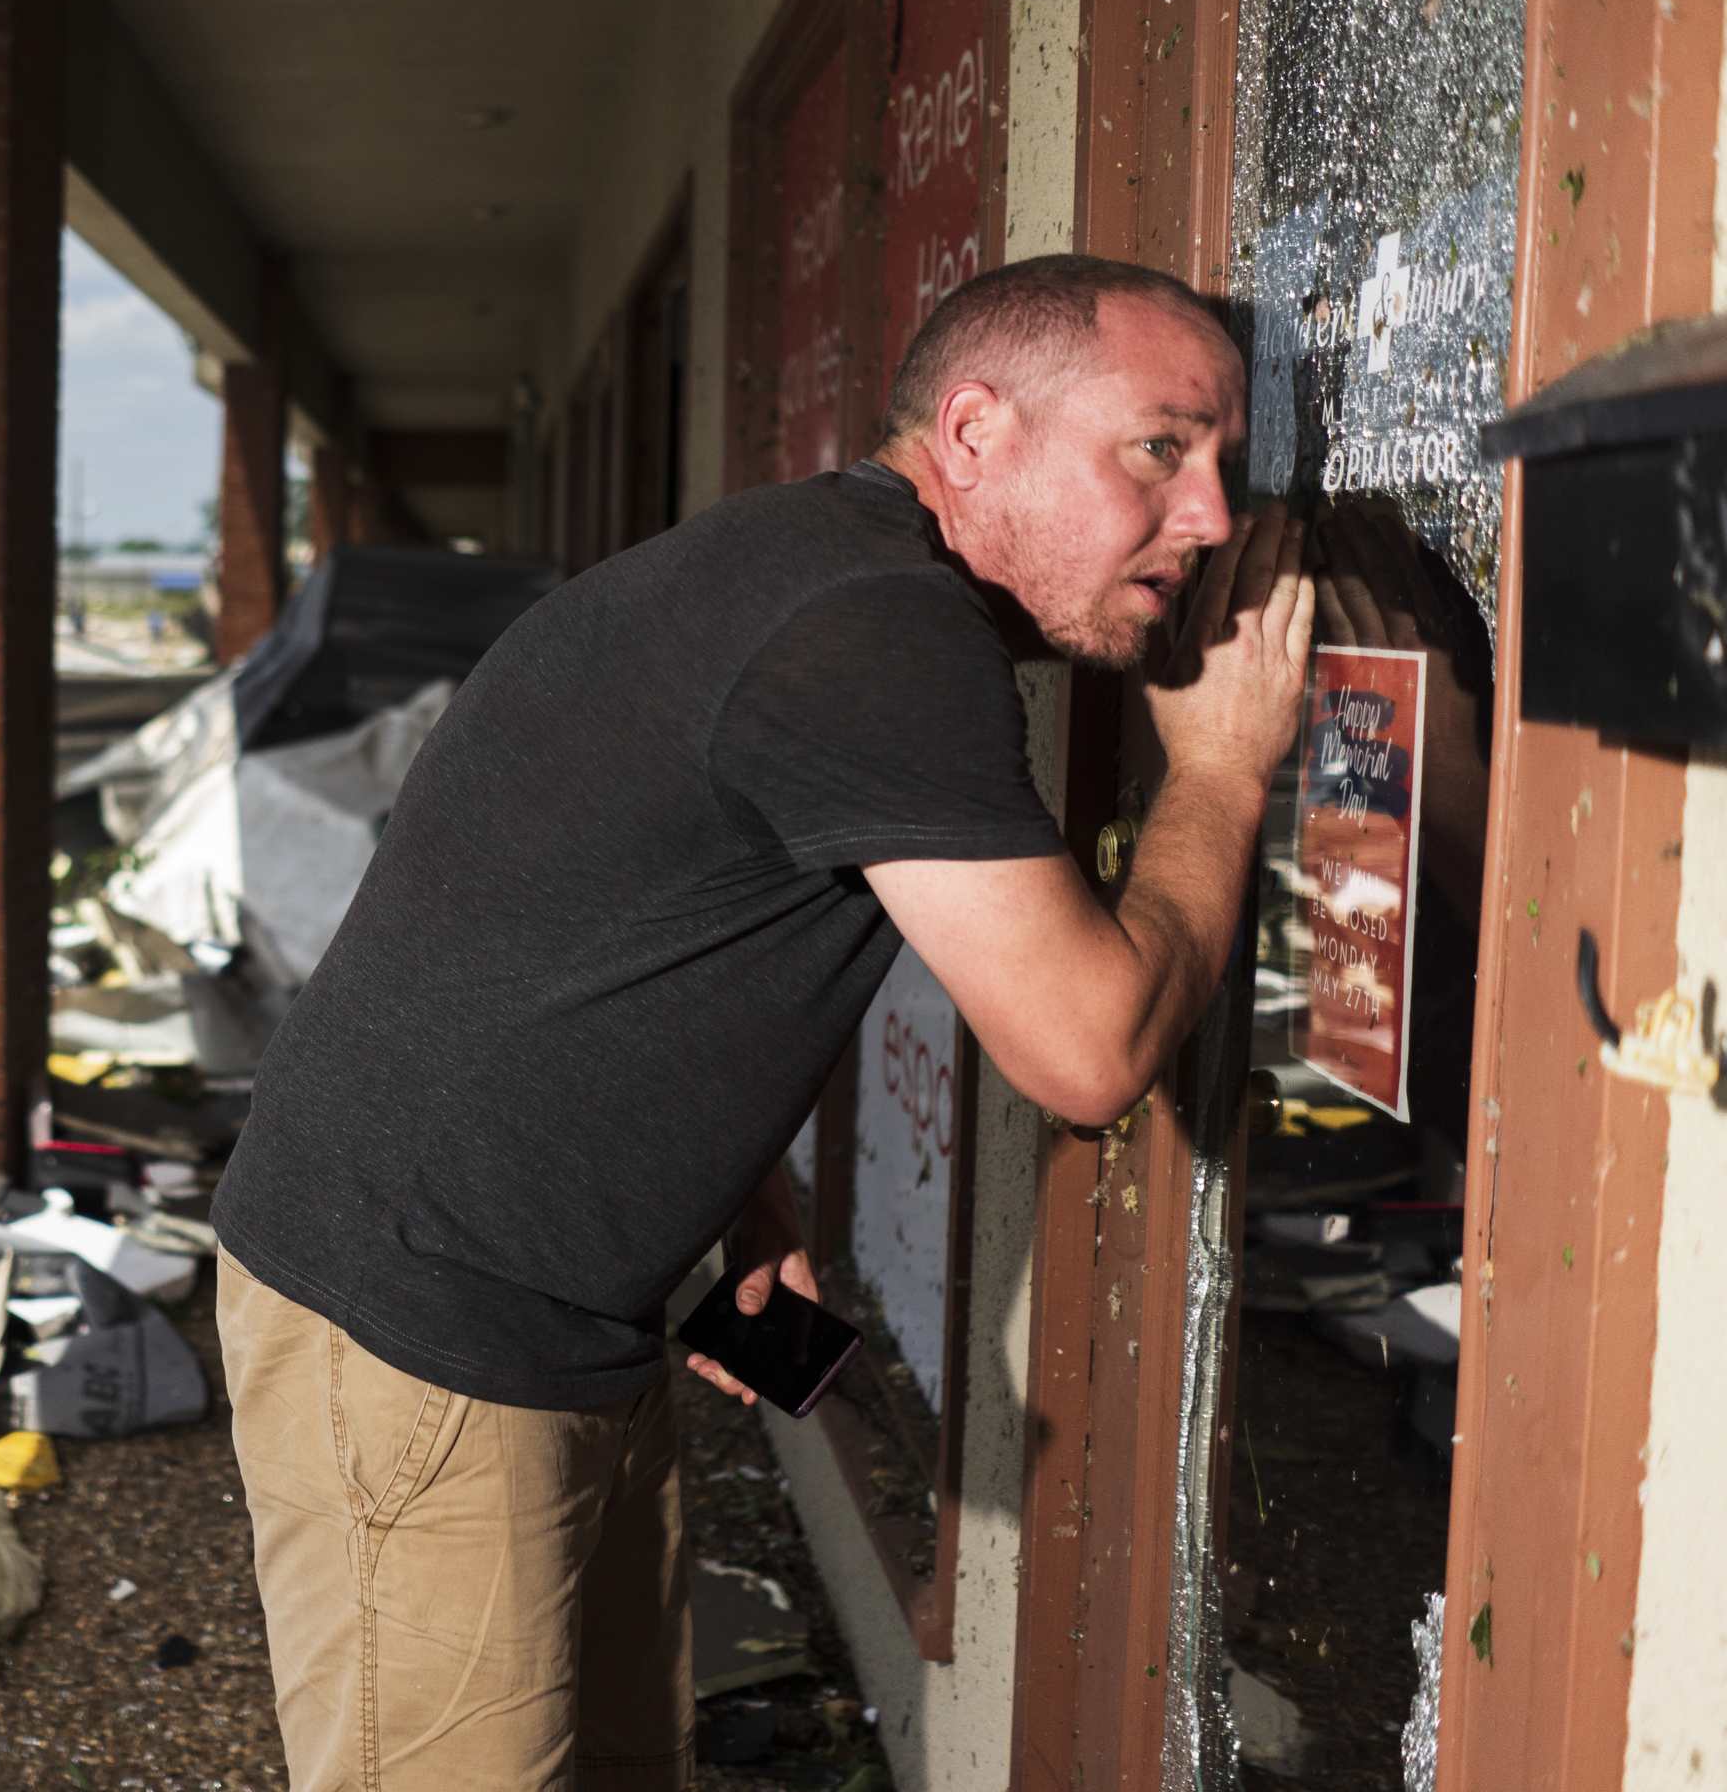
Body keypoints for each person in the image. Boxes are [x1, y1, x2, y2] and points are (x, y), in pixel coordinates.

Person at [207, 255, 1312, 1792]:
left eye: (1223, 469)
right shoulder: (875, 630)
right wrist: (1222, 774)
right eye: (1159, 449)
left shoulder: (810, 572)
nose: (1204, 518)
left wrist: (744, 1187)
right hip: (424, 1324)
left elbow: (620, 914)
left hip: (553, 1313)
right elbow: (1087, 1049)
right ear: (977, 432)